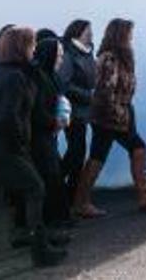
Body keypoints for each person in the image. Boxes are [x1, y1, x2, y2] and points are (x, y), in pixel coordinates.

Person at [0, 27, 66, 268]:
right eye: (31, 44)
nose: (34, 48)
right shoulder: (14, 77)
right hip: (4, 145)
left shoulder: (9, 72)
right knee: (35, 188)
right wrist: (20, 144)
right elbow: (9, 117)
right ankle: (41, 253)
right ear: (21, 47)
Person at [73, 19, 146, 218]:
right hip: (109, 116)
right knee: (126, 150)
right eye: (129, 33)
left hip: (120, 112)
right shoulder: (110, 58)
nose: (132, 37)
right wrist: (119, 116)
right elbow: (105, 92)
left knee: (104, 154)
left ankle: (143, 194)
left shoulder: (122, 57)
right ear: (120, 35)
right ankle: (82, 202)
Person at [58, 20, 97, 217]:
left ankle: (70, 196)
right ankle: (58, 189)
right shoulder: (69, 55)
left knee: (78, 153)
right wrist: (88, 96)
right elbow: (64, 84)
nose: (91, 34)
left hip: (84, 111)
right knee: (75, 153)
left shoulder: (87, 52)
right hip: (73, 112)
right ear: (77, 33)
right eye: (87, 31)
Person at [30, 38, 70, 228]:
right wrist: (54, 121)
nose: (61, 59)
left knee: (54, 175)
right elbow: (36, 109)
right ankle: (50, 223)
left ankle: (57, 219)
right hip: (39, 136)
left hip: (49, 133)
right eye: (59, 55)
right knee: (49, 177)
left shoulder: (51, 75)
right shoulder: (38, 76)